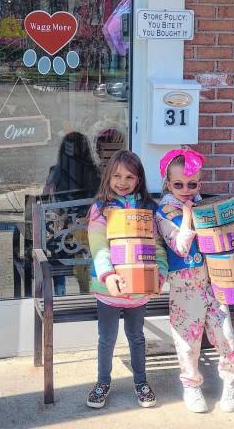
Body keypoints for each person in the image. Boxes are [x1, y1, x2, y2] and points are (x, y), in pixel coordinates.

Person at [156, 148, 234, 413]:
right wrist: (188, 214)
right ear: (168, 183)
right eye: (178, 184)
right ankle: (191, 385)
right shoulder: (164, 213)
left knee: (225, 333)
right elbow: (180, 246)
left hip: (213, 283)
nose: (185, 189)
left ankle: (231, 380)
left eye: (191, 184)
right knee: (187, 340)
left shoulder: (206, 205)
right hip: (184, 287)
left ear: (199, 184)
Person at [87, 149, 168, 409]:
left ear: (139, 180)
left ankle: (141, 381)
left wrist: (161, 275)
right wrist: (108, 274)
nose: (122, 182)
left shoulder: (148, 210)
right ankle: (102, 381)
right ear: (108, 177)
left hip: (139, 290)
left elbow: (157, 246)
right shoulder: (101, 209)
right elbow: (98, 244)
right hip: (108, 289)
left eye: (129, 177)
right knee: (107, 339)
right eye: (117, 176)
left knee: (136, 336)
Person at [44, 131, 101, 296]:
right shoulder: (96, 172)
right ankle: (87, 291)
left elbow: (46, 200)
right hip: (88, 234)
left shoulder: (54, 172)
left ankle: (60, 293)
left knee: (56, 242)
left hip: (63, 235)